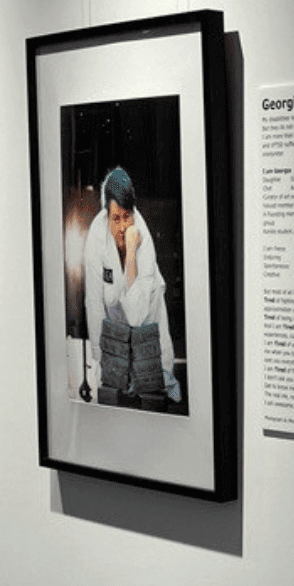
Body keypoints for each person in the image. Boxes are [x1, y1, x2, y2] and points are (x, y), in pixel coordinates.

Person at [82, 167, 183, 407]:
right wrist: (99, 362)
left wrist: (131, 258)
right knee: (116, 395)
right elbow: (94, 304)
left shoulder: (143, 240)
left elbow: (137, 316)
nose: (122, 226)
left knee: (153, 395)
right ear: (106, 215)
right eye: (116, 218)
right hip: (116, 333)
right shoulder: (96, 237)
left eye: (126, 217)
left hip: (148, 325)